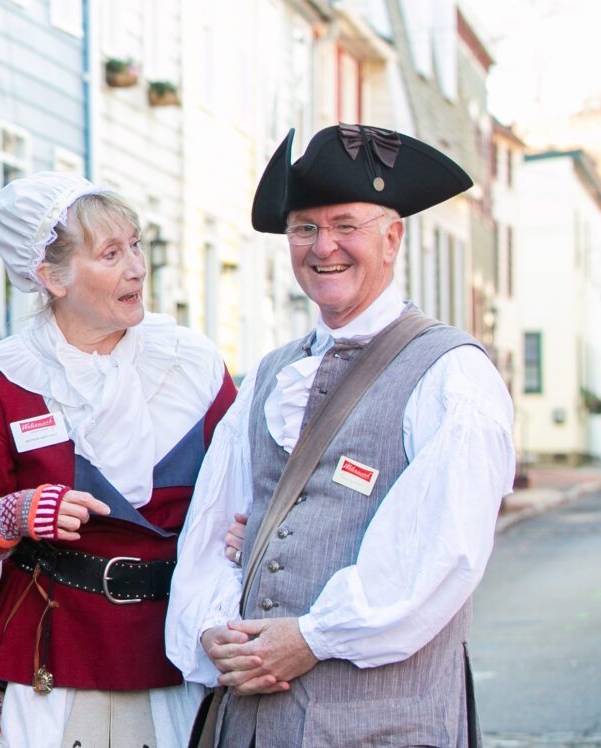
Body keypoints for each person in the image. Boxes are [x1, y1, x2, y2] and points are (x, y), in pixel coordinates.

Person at [164, 124, 515, 747]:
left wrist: (311, 637)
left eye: (345, 225)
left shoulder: (451, 374)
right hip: (253, 726)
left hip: (383, 725)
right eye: (305, 228)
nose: (324, 246)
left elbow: (439, 551)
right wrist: (211, 629)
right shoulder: (268, 376)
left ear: (392, 237)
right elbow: (217, 525)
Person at [0, 173, 237, 748]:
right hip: (50, 665)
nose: (136, 267)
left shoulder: (195, 365)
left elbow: (242, 499)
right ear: (51, 277)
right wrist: (4, 521)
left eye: (136, 244)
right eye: (111, 253)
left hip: (177, 656)